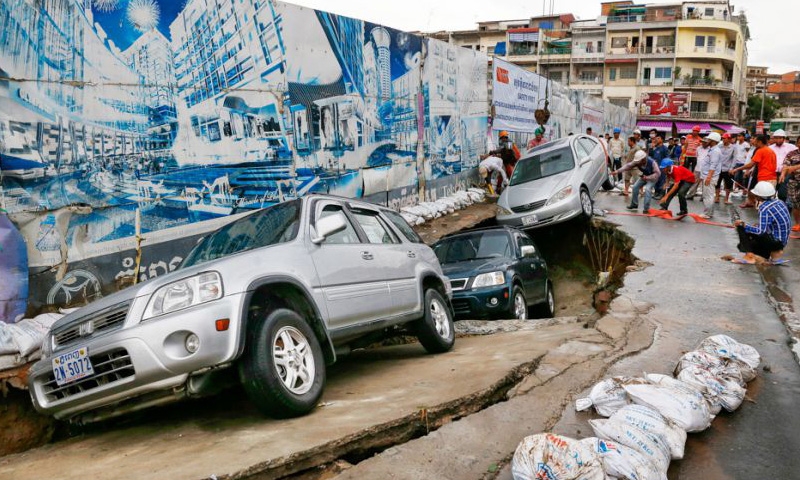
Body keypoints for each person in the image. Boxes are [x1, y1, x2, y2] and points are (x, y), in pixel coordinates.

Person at [733, 181, 791, 263]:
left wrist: (744, 225)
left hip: (775, 242)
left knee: (741, 227)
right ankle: (773, 255)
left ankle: (749, 256)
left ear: (758, 196)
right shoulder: (779, 202)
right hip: (782, 241)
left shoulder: (764, 208)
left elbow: (760, 231)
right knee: (754, 230)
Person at [732, 134, 778, 208]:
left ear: (759, 142)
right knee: (769, 200)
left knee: (761, 202)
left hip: (764, 178)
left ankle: (762, 216)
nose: (753, 142)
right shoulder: (770, 150)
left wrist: (737, 169)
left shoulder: (760, 150)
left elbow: (751, 164)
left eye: (755, 141)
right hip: (772, 178)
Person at [699, 132, 722, 219]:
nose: (707, 141)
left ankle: (707, 213)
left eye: (709, 139)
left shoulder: (715, 151)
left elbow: (713, 165)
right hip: (707, 175)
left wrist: (709, 177)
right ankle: (709, 212)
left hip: (710, 176)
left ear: (713, 141)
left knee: (708, 195)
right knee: (707, 195)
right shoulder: (712, 149)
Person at [779, 147, 800, 231]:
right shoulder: (791, 154)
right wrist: (783, 174)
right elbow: (785, 166)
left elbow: (790, 168)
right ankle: (798, 224)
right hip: (794, 181)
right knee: (795, 203)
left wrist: (794, 168)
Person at [715, 133, 736, 205]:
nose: (723, 140)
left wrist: (732, 168)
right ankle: (717, 197)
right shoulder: (719, 146)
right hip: (718, 168)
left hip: (728, 168)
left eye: (725, 138)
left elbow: (734, 158)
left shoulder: (733, 147)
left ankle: (726, 199)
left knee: (728, 184)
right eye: (723, 138)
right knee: (717, 183)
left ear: (729, 139)